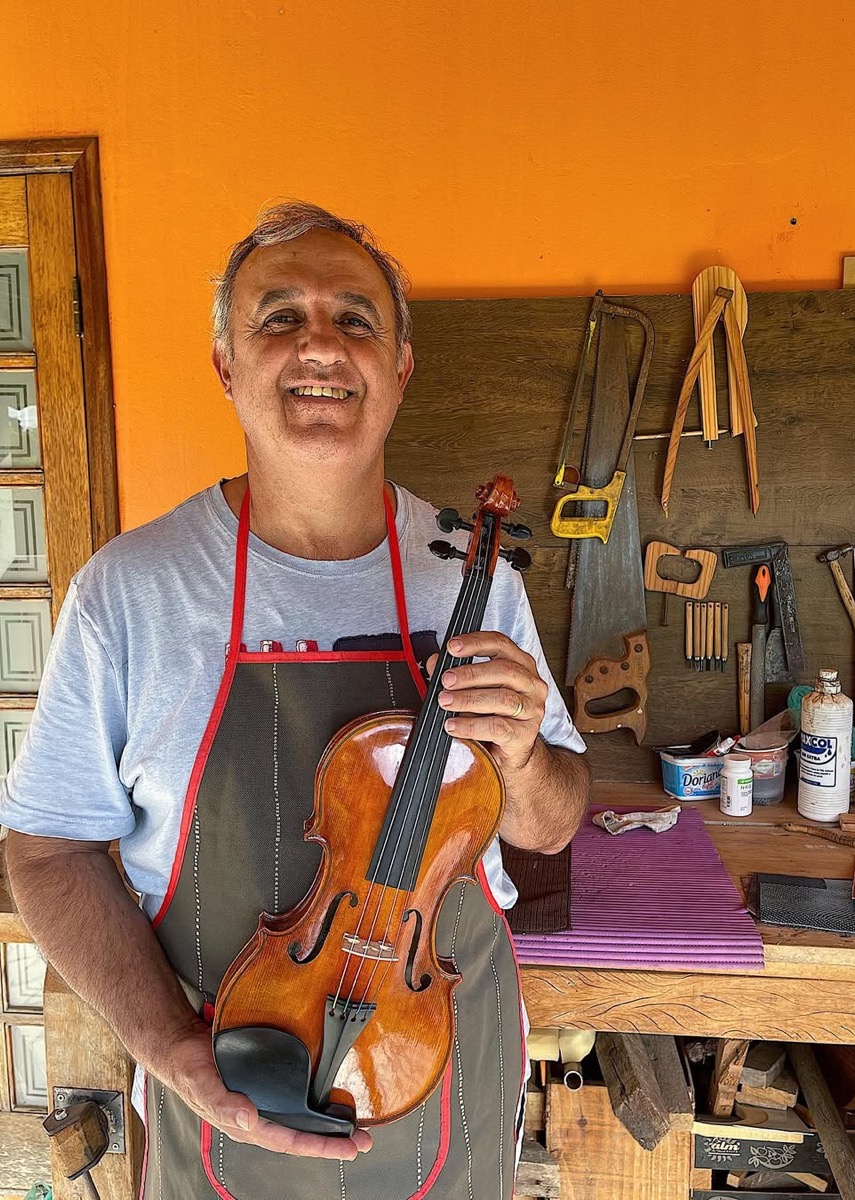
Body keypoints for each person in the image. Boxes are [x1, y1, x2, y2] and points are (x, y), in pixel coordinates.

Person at [1, 202, 590, 1199]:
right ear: (228, 366)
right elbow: (47, 850)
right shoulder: (131, 591)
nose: (321, 343)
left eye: (356, 319)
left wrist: (529, 758)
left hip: (441, 1065)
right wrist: (168, 1050)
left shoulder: (472, 580)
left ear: (400, 367)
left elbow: (552, 824)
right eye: (280, 319)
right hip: (223, 1083)